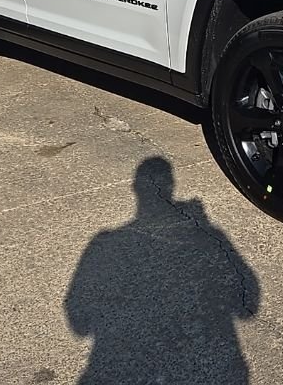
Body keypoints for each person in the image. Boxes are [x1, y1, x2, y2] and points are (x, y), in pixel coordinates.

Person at [65, 156, 260, 384]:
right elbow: (248, 308)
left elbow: (79, 323)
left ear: (135, 189)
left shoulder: (104, 242)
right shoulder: (211, 232)